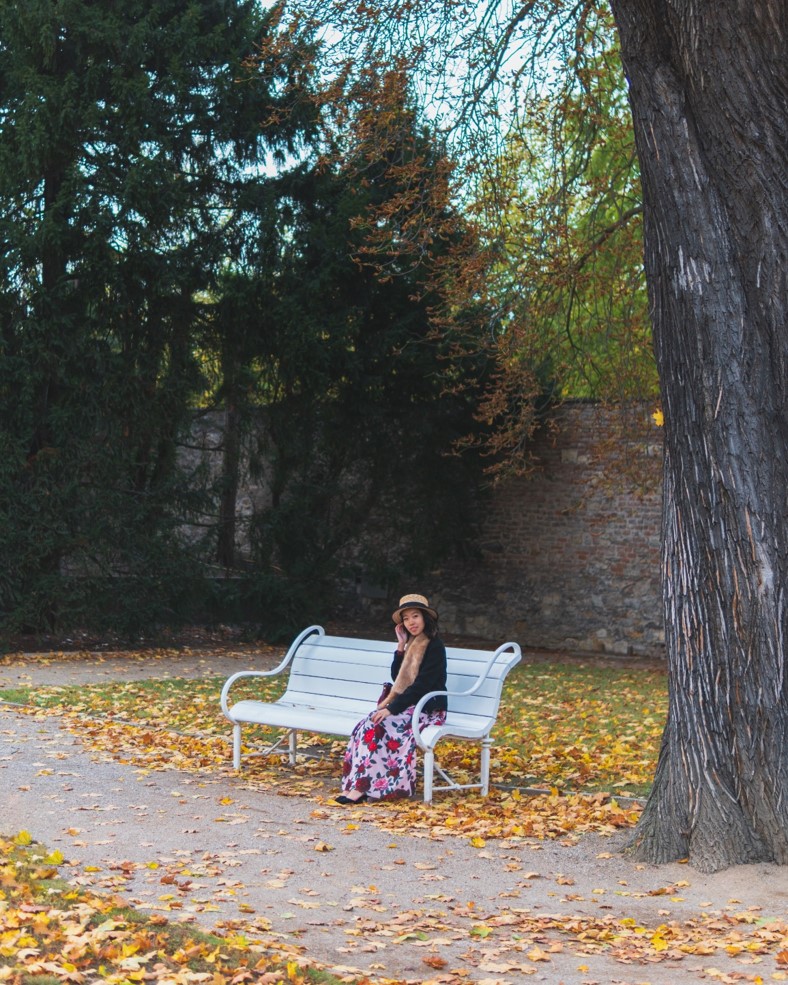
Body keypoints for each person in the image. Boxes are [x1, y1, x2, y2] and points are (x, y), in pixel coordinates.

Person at [333, 593, 448, 804]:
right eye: (406, 618)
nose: (411, 622)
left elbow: (420, 686)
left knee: (382, 722)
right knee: (366, 725)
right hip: (410, 706)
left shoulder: (434, 647)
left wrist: (392, 709)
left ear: (425, 618)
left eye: (415, 616)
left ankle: (369, 788)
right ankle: (358, 786)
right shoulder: (412, 643)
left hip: (427, 710)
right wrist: (401, 646)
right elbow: (398, 679)